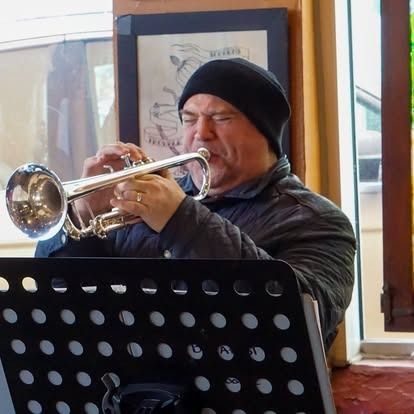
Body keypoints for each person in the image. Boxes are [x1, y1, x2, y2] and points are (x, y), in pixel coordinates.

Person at [36, 58, 356, 350]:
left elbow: (302, 324)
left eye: (221, 117)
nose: (201, 133)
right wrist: (80, 216)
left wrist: (181, 220)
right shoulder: (141, 203)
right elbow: (57, 300)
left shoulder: (319, 222)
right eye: (189, 119)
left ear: (265, 132)